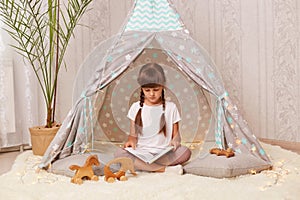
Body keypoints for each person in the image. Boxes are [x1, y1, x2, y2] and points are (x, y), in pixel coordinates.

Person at [115, 63, 191, 174]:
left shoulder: (171, 107)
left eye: (156, 90)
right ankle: (162, 169)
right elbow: (132, 137)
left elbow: (177, 136)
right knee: (119, 153)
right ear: (141, 88)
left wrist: (176, 141)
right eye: (147, 90)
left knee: (185, 152)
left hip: (163, 153)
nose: (151, 94)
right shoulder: (135, 107)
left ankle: (145, 166)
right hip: (142, 153)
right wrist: (130, 141)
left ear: (163, 86)